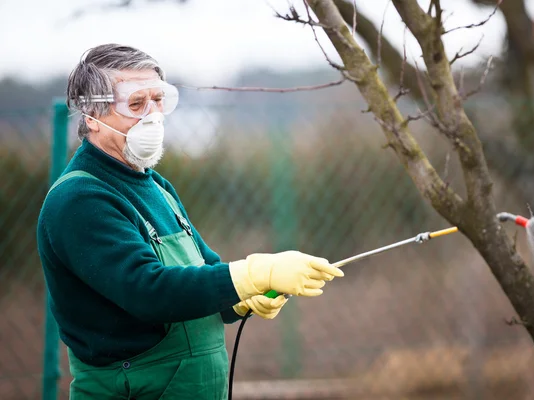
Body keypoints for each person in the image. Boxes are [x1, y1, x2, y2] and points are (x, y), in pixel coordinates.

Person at [36, 44, 344, 400]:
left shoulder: (155, 186)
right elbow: (148, 291)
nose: (152, 116)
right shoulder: (80, 200)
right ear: (91, 116)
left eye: (159, 100)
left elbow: (205, 270)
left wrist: (242, 299)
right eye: (136, 104)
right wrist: (254, 274)